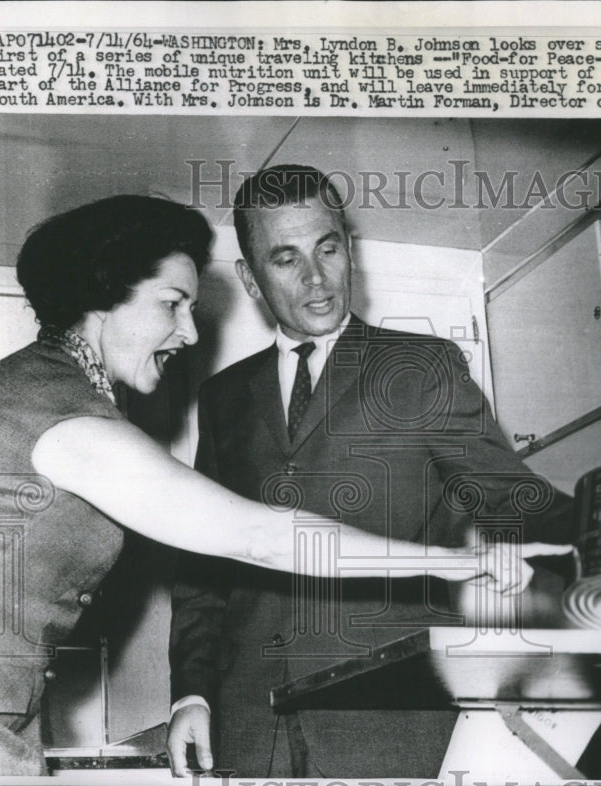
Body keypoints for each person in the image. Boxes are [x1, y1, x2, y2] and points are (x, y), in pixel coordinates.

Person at [0, 195, 557, 777]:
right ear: (105, 297)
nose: (190, 332)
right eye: (171, 303)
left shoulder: (39, 392)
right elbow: (254, 536)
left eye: (329, 249)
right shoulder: (60, 411)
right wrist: (455, 562)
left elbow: (512, 494)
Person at [167, 166, 577, 778]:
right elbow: (202, 564)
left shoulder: (422, 366)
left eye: (327, 248)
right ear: (250, 279)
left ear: (348, 248)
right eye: (285, 259)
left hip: (390, 715)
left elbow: (512, 498)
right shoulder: (223, 396)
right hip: (254, 727)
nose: (316, 278)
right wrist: (191, 692)